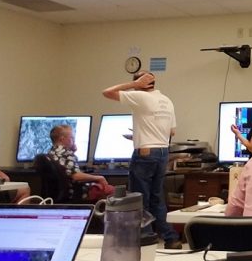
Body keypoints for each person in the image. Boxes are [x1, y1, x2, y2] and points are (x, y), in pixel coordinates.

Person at [102, 70, 181, 249]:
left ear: (140, 84)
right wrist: (139, 135)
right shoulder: (166, 100)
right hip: (162, 153)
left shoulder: (139, 96)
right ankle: (170, 238)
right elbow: (172, 132)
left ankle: (145, 239)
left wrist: (133, 86)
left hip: (145, 154)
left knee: (139, 199)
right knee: (156, 198)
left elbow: (107, 92)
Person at [47, 124, 113, 201]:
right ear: (62, 139)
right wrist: (99, 178)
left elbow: (68, 171)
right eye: (72, 138)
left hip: (62, 192)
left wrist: (73, 151)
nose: (74, 140)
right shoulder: (66, 153)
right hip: (77, 191)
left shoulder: (51, 153)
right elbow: (76, 176)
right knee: (113, 191)